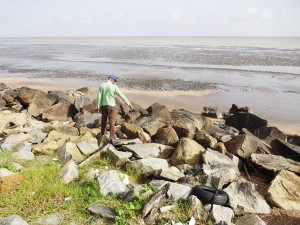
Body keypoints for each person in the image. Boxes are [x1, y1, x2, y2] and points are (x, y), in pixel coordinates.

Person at [96, 74, 134, 140]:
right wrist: (129, 104)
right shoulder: (114, 87)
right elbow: (122, 96)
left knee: (104, 120)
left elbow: (99, 97)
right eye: (114, 80)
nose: (114, 82)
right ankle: (112, 136)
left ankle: (102, 133)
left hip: (103, 106)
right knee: (112, 121)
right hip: (111, 105)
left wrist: (98, 106)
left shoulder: (101, 85)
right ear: (111, 79)